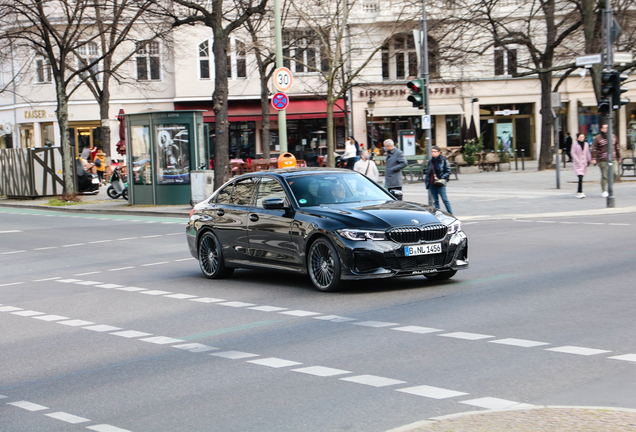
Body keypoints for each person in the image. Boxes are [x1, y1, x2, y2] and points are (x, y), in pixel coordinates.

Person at [591, 124, 621, 197]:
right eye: (605, 128)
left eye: (608, 128)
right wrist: (594, 158)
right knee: (604, 175)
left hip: (613, 158)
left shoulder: (613, 136)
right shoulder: (598, 138)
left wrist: (619, 157)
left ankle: (609, 187)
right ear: (601, 129)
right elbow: (594, 148)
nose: (607, 129)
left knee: (615, 173)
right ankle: (604, 190)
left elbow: (617, 147)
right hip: (602, 159)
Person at [425, 145, 453, 214]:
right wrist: (427, 182)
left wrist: (442, 178)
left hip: (440, 183)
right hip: (432, 183)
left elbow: (448, 171)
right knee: (435, 200)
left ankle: (450, 213)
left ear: (439, 152)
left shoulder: (443, 160)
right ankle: (438, 214)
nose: (433, 153)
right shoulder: (430, 161)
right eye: (432, 152)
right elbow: (428, 172)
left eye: (435, 151)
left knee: (445, 199)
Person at [571, 133, 591, 199]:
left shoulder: (586, 144)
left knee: (581, 176)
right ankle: (580, 192)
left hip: (584, 163)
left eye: (583, 137)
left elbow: (588, 153)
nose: (582, 138)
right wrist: (577, 160)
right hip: (577, 163)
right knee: (580, 177)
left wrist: (590, 160)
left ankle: (580, 192)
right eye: (581, 137)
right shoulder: (575, 145)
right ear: (577, 138)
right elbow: (573, 153)